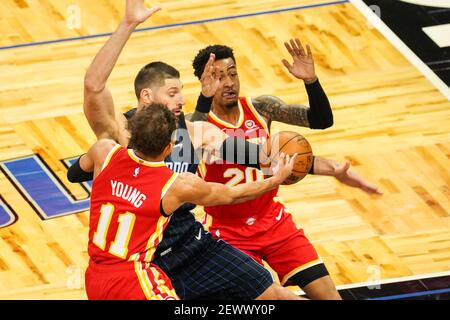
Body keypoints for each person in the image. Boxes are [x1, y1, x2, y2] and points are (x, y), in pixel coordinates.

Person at [69, 0, 302, 300]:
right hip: (148, 262)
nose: (182, 99)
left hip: (192, 245)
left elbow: (249, 155)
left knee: (276, 296)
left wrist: (282, 162)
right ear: (146, 96)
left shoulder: (194, 131)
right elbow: (94, 85)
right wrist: (127, 25)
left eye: (183, 92)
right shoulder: (124, 135)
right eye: (173, 93)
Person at [192, 41, 383, 300]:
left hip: (274, 222)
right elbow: (187, 145)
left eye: (233, 74)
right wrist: (203, 100)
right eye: (218, 76)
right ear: (204, 81)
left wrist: (311, 82)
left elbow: (320, 120)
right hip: (228, 233)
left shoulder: (261, 108)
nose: (228, 82)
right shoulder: (197, 127)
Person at [83, 103, 297, 300]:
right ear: (169, 148)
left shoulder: (104, 152)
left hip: (94, 276)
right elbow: (234, 195)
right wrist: (276, 179)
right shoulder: (174, 185)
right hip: (132, 277)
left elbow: (95, 89)